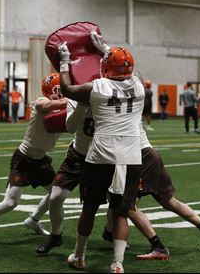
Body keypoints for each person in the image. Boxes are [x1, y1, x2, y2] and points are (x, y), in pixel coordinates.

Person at [58, 33, 145, 273]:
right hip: (131, 156)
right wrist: (107, 49)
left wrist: (64, 60)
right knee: (120, 213)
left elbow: (66, 88)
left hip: (101, 155)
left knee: (89, 208)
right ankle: (117, 264)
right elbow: (126, 70)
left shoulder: (96, 88)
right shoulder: (139, 86)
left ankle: (79, 256)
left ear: (106, 66)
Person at [0, 75, 68, 244]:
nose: (62, 92)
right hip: (24, 159)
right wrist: (74, 99)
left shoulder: (64, 109)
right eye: (60, 89)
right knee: (11, 202)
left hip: (41, 160)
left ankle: (33, 220)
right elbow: (49, 105)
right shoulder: (41, 102)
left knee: (56, 194)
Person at [103, 121, 200, 260]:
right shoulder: (129, 105)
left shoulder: (117, 110)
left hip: (139, 158)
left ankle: (158, 246)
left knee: (128, 205)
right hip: (150, 154)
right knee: (168, 201)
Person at [35, 99, 93, 254]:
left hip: (101, 157)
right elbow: (71, 127)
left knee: (114, 201)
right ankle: (56, 235)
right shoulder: (76, 99)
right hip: (77, 155)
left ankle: (111, 233)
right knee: (55, 197)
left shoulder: (110, 98)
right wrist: (82, 104)